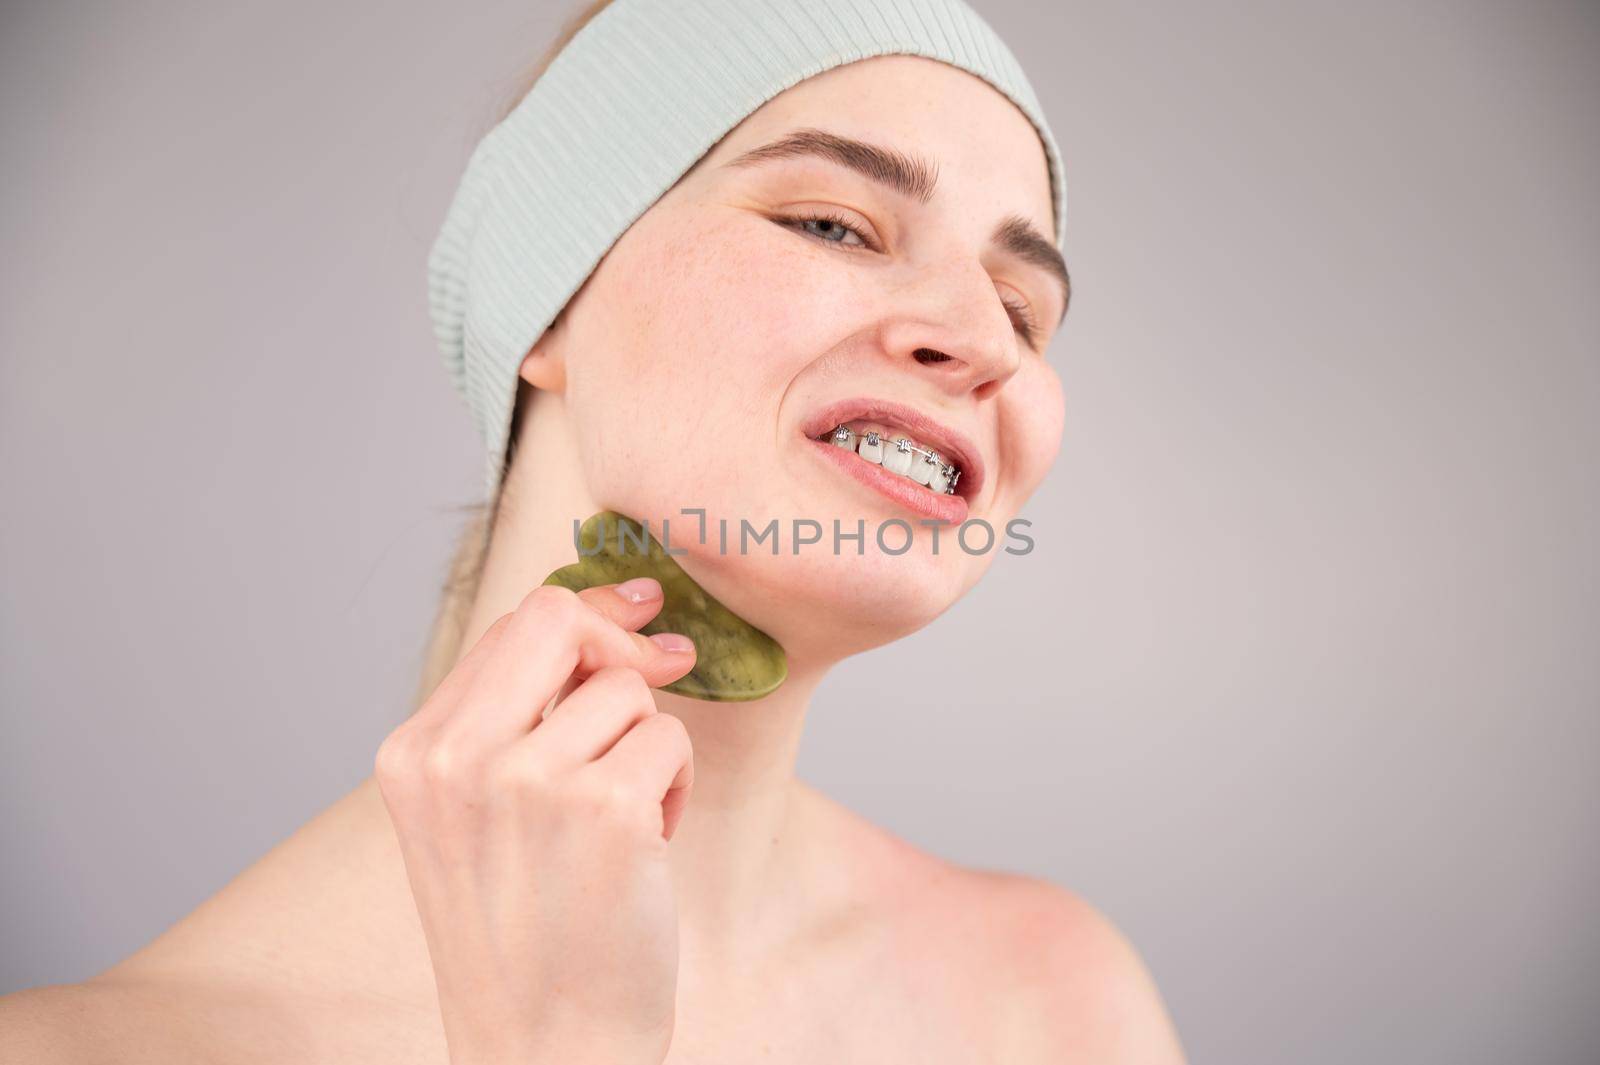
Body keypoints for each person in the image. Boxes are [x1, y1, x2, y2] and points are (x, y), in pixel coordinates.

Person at [0, 1, 1186, 1061]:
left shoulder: (1057, 1001)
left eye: (1025, 312)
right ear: (554, 293)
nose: (982, 340)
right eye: (834, 225)